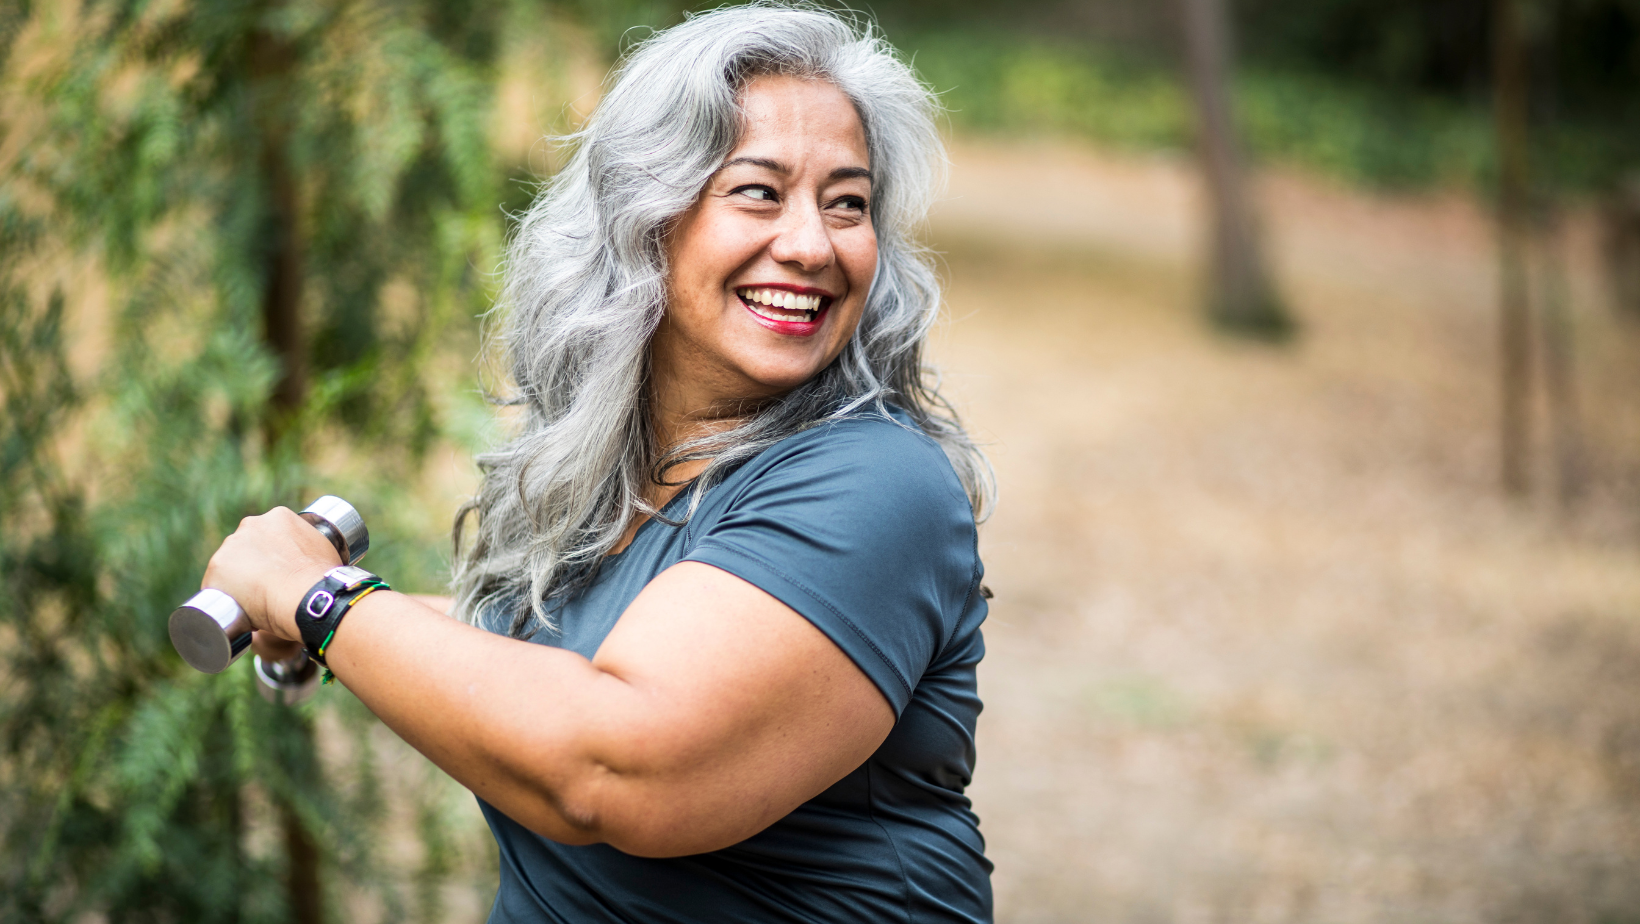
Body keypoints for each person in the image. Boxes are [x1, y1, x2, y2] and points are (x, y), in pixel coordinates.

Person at [204, 4, 995, 921]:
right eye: (758, 192)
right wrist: (318, 614)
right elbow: (554, 647)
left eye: (847, 203)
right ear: (643, 218)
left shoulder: (877, 484)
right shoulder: (630, 471)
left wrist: (322, 601)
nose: (813, 245)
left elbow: (615, 765)